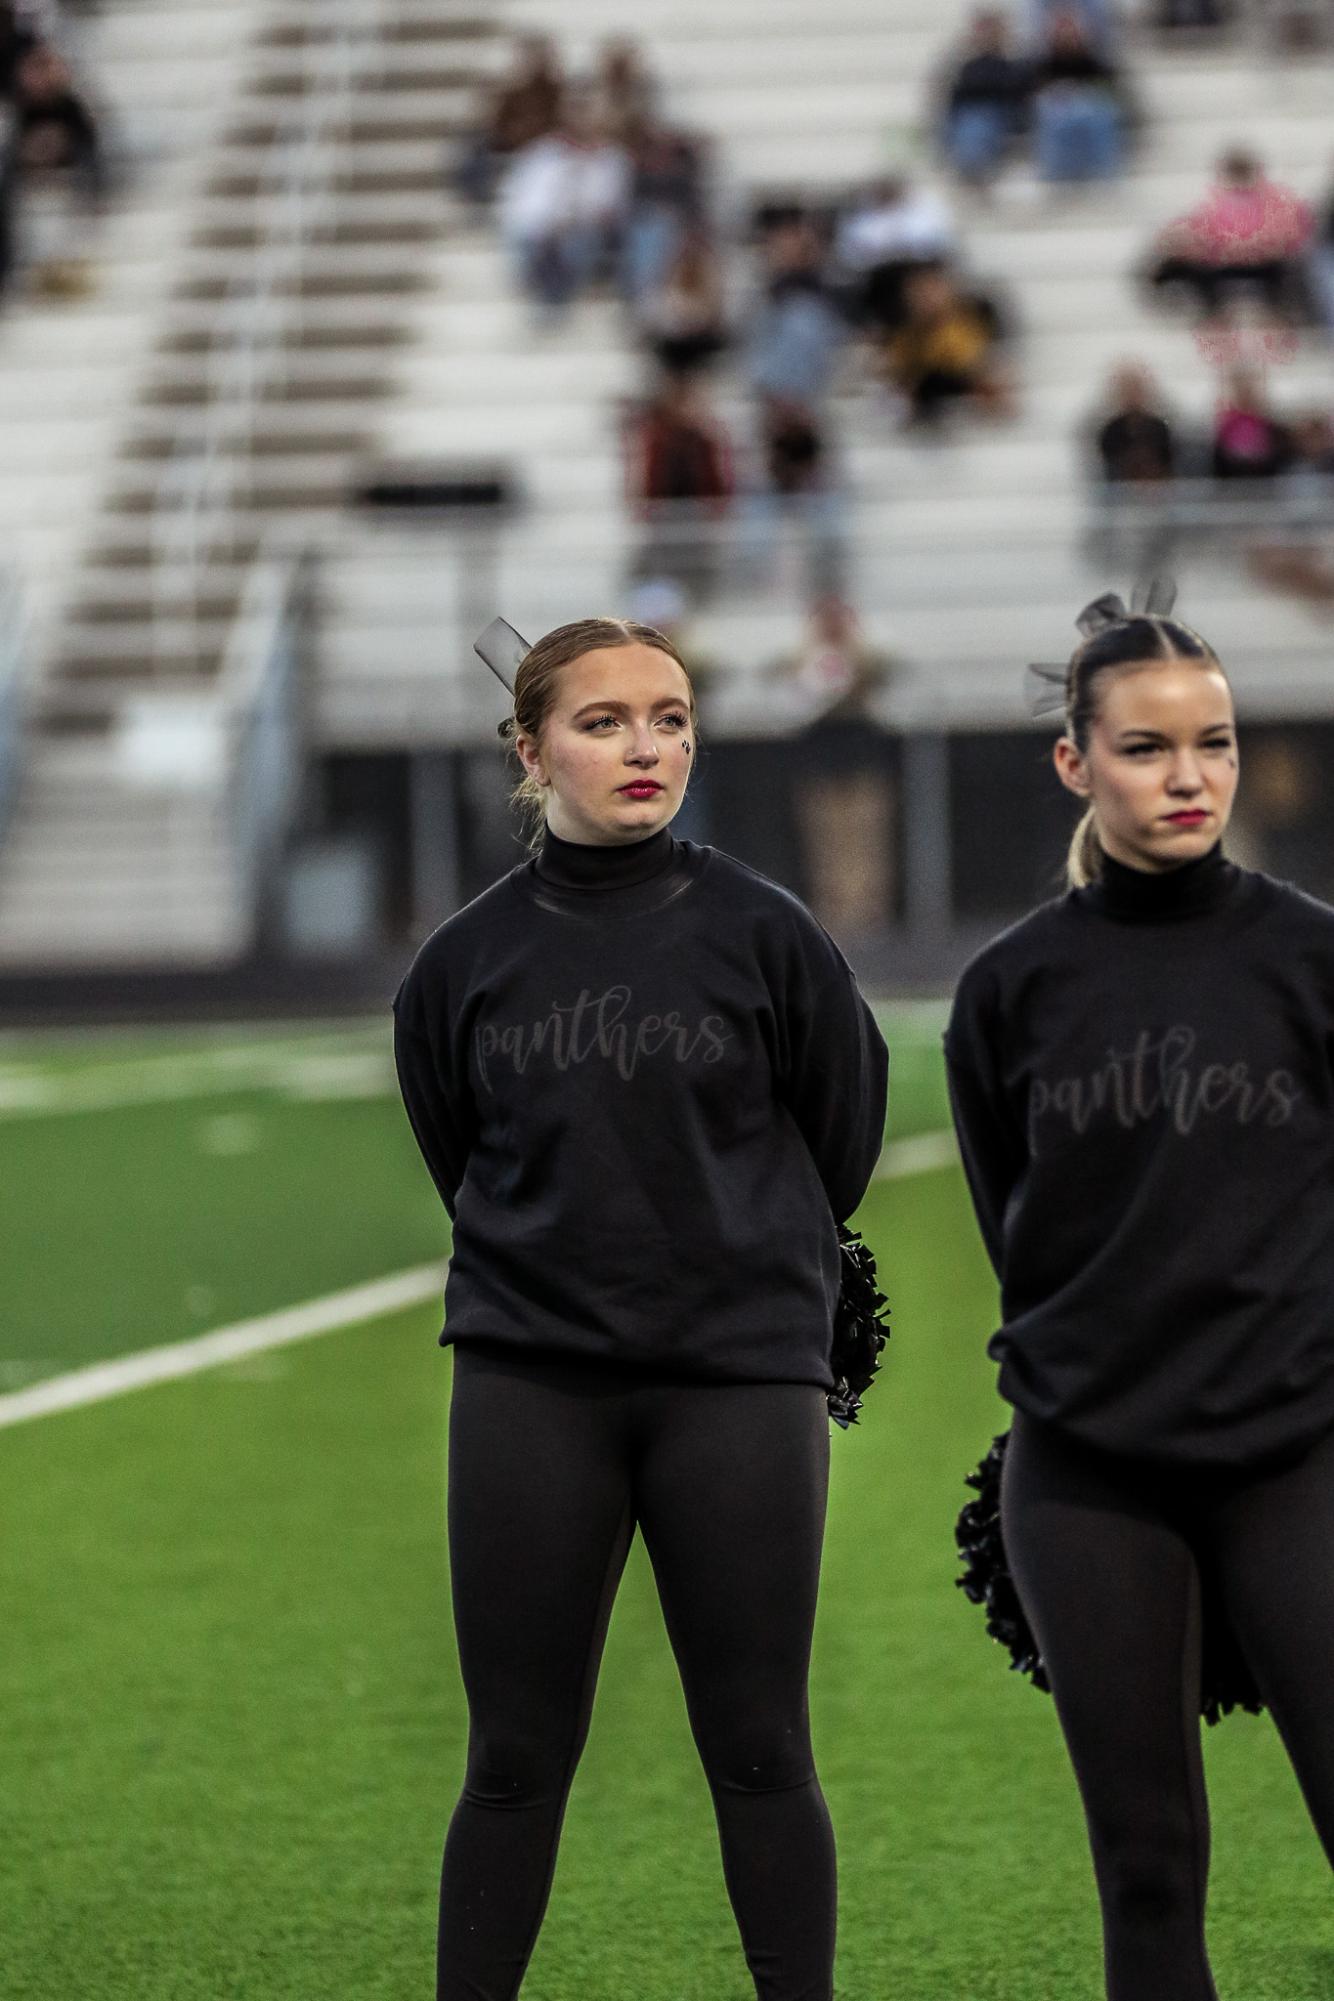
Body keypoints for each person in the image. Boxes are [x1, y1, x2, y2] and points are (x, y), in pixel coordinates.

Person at [393, 615, 889, 2001]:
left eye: (669, 718)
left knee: (757, 1743)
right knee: (510, 1757)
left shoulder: (765, 932)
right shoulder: (462, 962)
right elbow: (461, 1155)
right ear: (528, 747)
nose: (645, 746)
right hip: (529, 1382)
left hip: (736, 1381)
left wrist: (745, 1266)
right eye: (604, 720)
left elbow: (838, 1136)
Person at [946, 591, 1334, 2000]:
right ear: (1074, 763)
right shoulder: (1008, 990)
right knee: (1148, 1866)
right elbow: (1017, 1227)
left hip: (1299, 1456)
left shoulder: (1308, 959)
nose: (1187, 778)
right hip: (1089, 1475)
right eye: (1147, 748)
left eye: (1214, 744)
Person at [1147, 148, 1314, 324]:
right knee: (1171, 267)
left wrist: (1250, 248)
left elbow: (1292, 235)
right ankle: (1211, 313)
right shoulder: (1214, 203)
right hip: (1223, 263)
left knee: (1291, 270)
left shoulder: (1278, 200)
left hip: (1265, 265)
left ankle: (1279, 313)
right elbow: (1194, 233)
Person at [937, 9, 1034, 188]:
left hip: (1006, 116)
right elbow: (952, 95)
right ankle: (972, 172)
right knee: (972, 123)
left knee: (979, 122)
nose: (987, 36)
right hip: (971, 116)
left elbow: (1019, 93)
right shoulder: (961, 63)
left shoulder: (1019, 61)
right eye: (983, 31)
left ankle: (976, 171)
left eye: (992, 31)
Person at [1030, 7, 1128, 183]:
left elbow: (1108, 88)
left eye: (1071, 33)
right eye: (1063, 33)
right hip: (1057, 110)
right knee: (1056, 116)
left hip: (1089, 109)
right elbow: (1035, 91)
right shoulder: (1044, 64)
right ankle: (1058, 174)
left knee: (1098, 115)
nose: (1067, 38)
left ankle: (1104, 174)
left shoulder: (1095, 62)